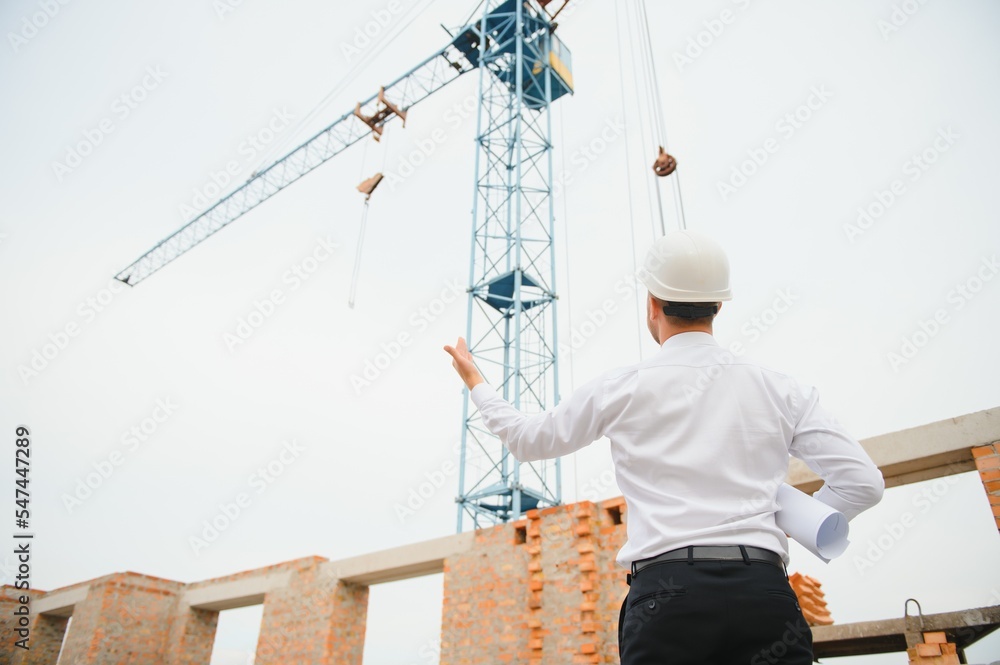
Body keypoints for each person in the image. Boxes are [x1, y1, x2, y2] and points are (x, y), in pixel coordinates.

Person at [444, 229, 885, 664]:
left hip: (666, 599)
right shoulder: (781, 389)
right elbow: (863, 482)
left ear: (652, 304)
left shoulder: (621, 388)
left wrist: (476, 381)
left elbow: (527, 439)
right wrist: (792, 523)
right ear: (719, 305)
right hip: (763, 592)